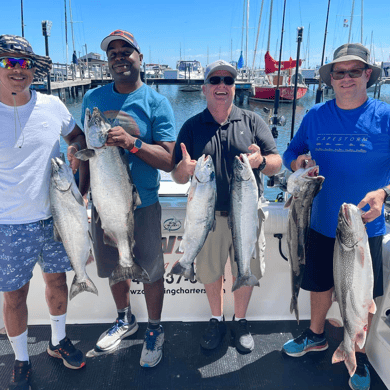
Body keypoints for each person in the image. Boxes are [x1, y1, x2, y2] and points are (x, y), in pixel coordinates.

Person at [282, 43, 390, 390]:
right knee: (319, 285)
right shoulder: (314, 116)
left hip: (366, 227)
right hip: (321, 221)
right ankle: (316, 335)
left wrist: (384, 192)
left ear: (368, 75)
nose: (346, 78)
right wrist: (298, 163)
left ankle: (355, 353)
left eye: (354, 71)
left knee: (360, 296)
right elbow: (290, 151)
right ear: (330, 79)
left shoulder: (385, 117)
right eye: (339, 72)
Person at [171, 60, 282, 353]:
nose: (222, 85)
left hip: (246, 213)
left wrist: (261, 162)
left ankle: (241, 320)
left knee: (245, 266)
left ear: (235, 88)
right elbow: (177, 176)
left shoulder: (253, 121)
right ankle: (216, 319)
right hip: (208, 216)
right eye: (216, 80)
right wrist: (184, 168)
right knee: (209, 270)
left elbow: (277, 163)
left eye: (228, 81)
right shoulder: (192, 126)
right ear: (205, 89)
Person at [81, 29, 175, 367]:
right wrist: (79, 195)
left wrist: (133, 143)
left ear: (140, 57)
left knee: (150, 271)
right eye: (113, 53)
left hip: (143, 202)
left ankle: (154, 328)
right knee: (113, 267)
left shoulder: (156, 102)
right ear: (108, 62)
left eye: (126, 51)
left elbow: (169, 160)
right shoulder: (93, 99)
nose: (119, 57)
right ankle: (125, 319)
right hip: (104, 200)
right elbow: (85, 153)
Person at [0, 35, 89, 390]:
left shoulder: (53, 105)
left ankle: (57, 341)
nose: (18, 70)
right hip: (8, 225)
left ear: (34, 70)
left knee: (57, 282)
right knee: (15, 297)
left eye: (25, 64)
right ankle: (21, 361)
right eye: (9, 62)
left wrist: (76, 158)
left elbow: (78, 139)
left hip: (56, 216)